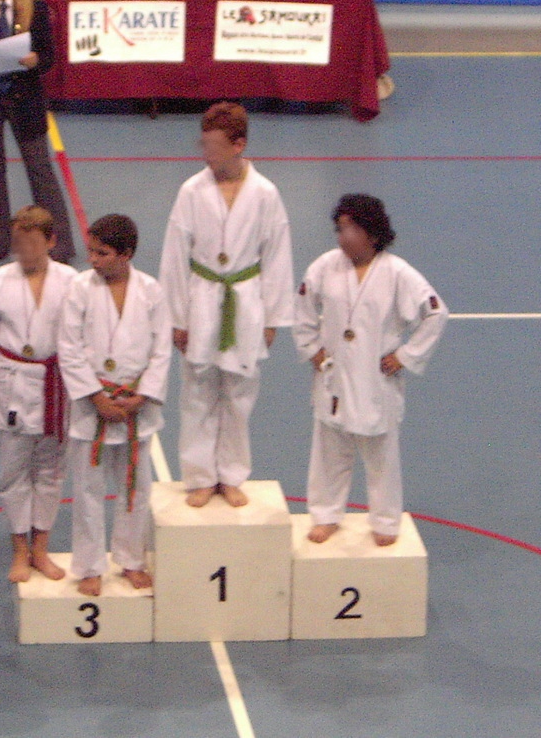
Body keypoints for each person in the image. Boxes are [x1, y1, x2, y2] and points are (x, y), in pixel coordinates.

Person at [159, 102, 293, 508]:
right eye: (204, 145)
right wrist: (176, 318)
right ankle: (200, 476)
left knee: (239, 393)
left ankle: (232, 475)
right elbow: (174, 256)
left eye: (214, 147)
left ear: (239, 145)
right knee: (198, 391)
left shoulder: (265, 193)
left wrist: (273, 317)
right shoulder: (191, 191)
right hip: (201, 296)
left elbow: (277, 256)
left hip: (245, 298)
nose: (206, 154)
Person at [293, 194, 448, 546]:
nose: (342, 236)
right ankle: (326, 515)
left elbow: (436, 313)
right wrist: (311, 347)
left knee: (381, 457)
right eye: (339, 229)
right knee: (329, 452)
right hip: (334, 376)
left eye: (350, 229)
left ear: (372, 233)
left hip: (375, 379)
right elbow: (302, 308)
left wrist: (406, 355)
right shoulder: (324, 266)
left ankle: (385, 521)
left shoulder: (397, 273)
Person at [0, 205, 77, 583]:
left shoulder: (72, 281)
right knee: (13, 472)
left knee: (50, 472)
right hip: (11, 385)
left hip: (57, 387)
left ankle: (40, 548)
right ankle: (19, 551)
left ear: (51, 241)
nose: (22, 251)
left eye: (30, 243)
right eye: (17, 244)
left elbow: (83, 338)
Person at [59, 214, 171, 596]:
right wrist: (95, 397)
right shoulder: (79, 288)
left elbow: (161, 349)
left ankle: (131, 559)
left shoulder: (151, 291)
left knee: (136, 486)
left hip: (137, 404)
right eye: (91, 251)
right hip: (92, 405)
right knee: (88, 489)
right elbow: (69, 347)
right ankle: (89, 566)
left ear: (126, 254)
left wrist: (144, 395)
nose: (92, 259)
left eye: (102, 253)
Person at [0, 0, 74, 264]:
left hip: (25, 98)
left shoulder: (37, 9)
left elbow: (48, 57)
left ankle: (60, 245)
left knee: (40, 171)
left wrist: (36, 60)